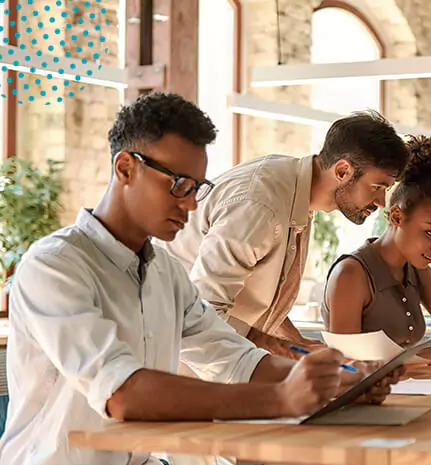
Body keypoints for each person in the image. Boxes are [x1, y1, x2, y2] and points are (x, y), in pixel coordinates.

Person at [0, 93, 392, 465]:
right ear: (125, 168)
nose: (190, 204)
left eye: (197, 188)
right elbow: (122, 393)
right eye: (178, 185)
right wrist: (281, 399)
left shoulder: (165, 273)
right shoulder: (56, 266)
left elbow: (236, 359)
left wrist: (343, 382)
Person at [163, 110, 410, 358]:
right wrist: (282, 348)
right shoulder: (260, 206)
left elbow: (258, 301)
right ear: (343, 171)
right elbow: (205, 310)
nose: (381, 202)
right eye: (377, 187)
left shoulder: (294, 192)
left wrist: (297, 343)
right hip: (179, 362)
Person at [323, 136, 431, 364]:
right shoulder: (350, 274)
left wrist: (420, 359)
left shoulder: (417, 271)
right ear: (397, 216)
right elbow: (346, 363)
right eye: (430, 232)